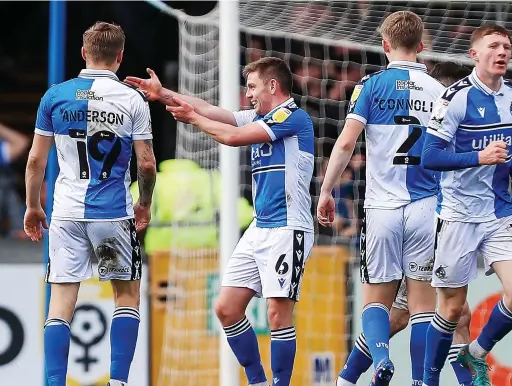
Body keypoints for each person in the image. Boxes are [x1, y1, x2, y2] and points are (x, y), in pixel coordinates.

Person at [126, 56, 314, 386]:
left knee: (276, 313)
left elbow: (230, 137)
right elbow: (212, 110)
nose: (248, 94)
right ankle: (257, 381)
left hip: (289, 227)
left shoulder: (292, 117)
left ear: (273, 86)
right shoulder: (261, 115)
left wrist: (194, 119)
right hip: (261, 226)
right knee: (227, 308)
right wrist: (164, 93)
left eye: (252, 87)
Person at [23, 22, 156, 386]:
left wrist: (34, 206)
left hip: (65, 213)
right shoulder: (132, 99)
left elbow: (36, 160)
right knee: (126, 296)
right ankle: (118, 382)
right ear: (120, 57)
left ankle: (53, 383)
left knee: (61, 302)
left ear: (84, 53)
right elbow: (145, 163)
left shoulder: (55, 96)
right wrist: (144, 201)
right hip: (112, 213)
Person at [316, 11, 445, 385]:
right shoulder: (440, 92)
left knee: (376, 300)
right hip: (425, 207)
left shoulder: (370, 86)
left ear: (384, 45)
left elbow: (344, 143)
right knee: (422, 308)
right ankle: (421, 380)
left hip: (382, 209)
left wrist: (326, 190)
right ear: (421, 47)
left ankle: (381, 358)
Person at [334, 61, 476, 386]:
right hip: (430, 221)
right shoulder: (442, 115)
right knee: (439, 313)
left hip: (407, 218)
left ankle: (349, 378)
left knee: (410, 316)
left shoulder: (394, 94)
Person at [421, 24, 512, 386]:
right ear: (474, 55)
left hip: (499, 214)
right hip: (457, 217)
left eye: (507, 46)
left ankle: (475, 352)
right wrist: (479, 157)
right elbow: (430, 156)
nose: (502, 52)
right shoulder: (455, 98)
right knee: (452, 309)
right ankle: (428, 380)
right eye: (494, 46)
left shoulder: (511, 98)